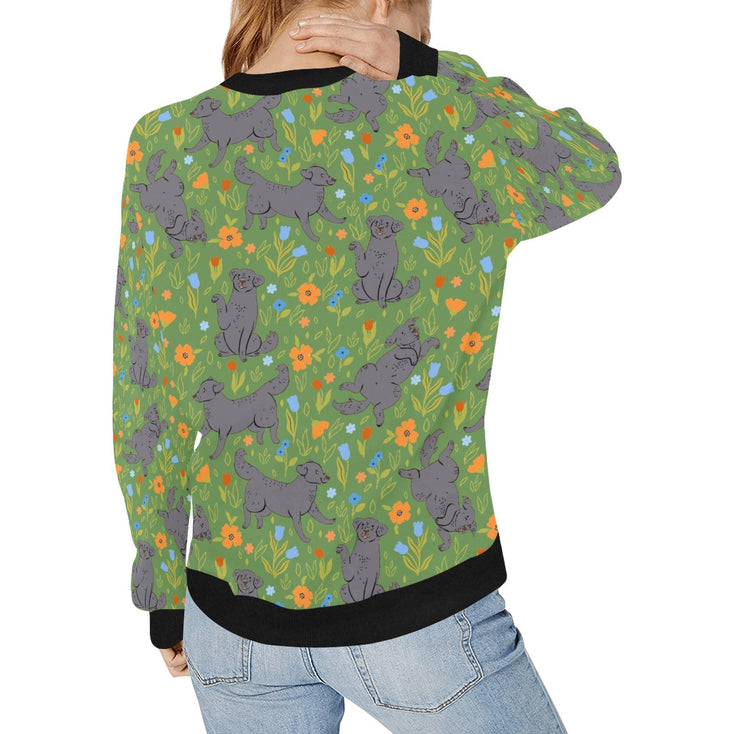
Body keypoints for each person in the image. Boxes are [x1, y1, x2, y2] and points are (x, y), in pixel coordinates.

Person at [111, 0, 621, 731]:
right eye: (426, 26)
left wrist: (162, 590)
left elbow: (144, 387)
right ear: (385, 8)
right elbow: (589, 166)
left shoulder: (166, 139)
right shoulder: (438, 117)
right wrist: (429, 70)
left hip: (228, 621)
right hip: (419, 610)